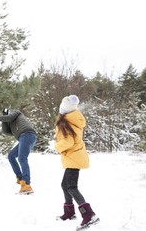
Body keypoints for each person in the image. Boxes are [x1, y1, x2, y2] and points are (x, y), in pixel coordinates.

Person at [54, 95, 99, 230]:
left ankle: (89, 214)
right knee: (65, 185)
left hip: (73, 158)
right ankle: (69, 212)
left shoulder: (65, 123)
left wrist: (56, 146)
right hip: (75, 156)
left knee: (71, 187)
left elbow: (68, 142)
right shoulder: (73, 120)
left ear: (63, 110)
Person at [0, 108, 36, 194]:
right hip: (24, 137)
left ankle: (27, 184)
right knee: (11, 156)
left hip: (27, 134)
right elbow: (6, 131)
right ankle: (20, 178)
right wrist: (3, 118)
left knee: (22, 158)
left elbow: (9, 117)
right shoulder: (11, 123)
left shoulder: (17, 113)